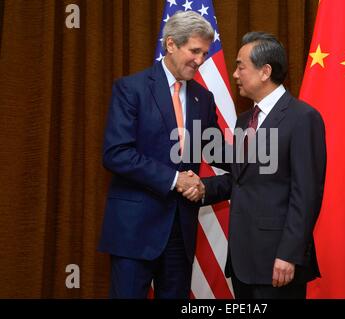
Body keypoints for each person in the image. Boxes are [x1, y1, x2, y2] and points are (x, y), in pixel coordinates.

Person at [183, 32, 327, 299]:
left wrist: (289, 255)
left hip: (278, 262)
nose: (235, 74)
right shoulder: (244, 121)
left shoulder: (302, 118)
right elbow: (241, 178)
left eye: (240, 66)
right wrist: (201, 187)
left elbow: (306, 195)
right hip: (242, 261)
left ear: (265, 71)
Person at [98, 11, 222, 299]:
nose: (200, 60)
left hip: (180, 230)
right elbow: (116, 154)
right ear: (170, 44)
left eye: (204, 53)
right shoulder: (131, 89)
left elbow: (214, 149)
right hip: (134, 230)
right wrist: (175, 179)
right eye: (194, 51)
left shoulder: (203, 99)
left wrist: (262, 151)